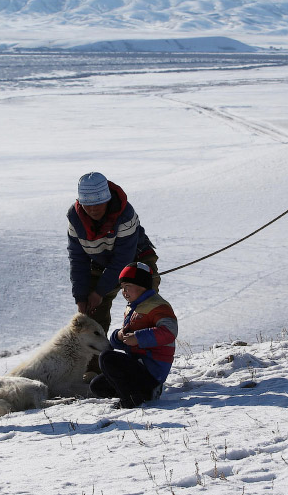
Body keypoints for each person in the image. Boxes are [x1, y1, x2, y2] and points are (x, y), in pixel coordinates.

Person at [66, 172, 159, 339]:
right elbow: (78, 260)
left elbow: (123, 259)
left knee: (145, 306)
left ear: (107, 200)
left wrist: (100, 292)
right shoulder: (75, 219)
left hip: (136, 259)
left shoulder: (125, 214)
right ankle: (95, 363)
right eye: (88, 205)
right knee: (91, 316)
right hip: (99, 262)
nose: (93, 209)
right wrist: (81, 298)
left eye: (98, 204)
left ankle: (144, 359)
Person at [91, 262, 177, 408]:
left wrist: (138, 338)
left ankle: (131, 399)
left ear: (142, 285)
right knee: (97, 386)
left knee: (107, 358)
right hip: (137, 365)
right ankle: (145, 393)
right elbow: (126, 338)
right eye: (122, 288)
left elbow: (169, 332)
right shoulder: (133, 308)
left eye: (127, 287)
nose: (123, 292)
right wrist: (118, 336)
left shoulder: (157, 305)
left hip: (152, 369)